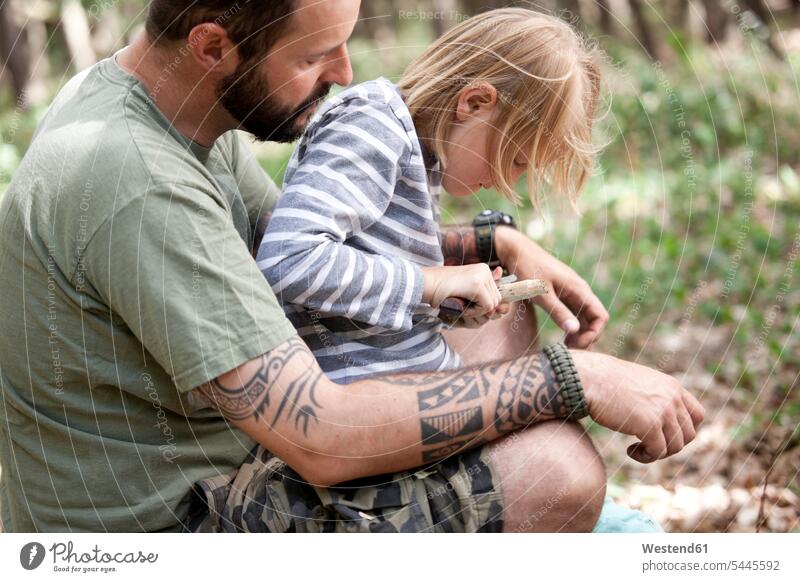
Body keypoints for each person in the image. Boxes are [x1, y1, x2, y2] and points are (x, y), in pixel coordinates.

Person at [0, 0, 703, 533]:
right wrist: (573, 379)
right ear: (213, 45)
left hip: (235, 450)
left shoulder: (181, 117)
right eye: (315, 57)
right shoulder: (140, 182)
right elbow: (323, 436)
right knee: (561, 472)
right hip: (173, 524)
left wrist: (491, 246)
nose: (343, 75)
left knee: (504, 316)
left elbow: (323, 246)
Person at [260, 9, 599, 384]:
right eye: (516, 161)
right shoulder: (374, 126)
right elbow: (289, 260)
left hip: (407, 379)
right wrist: (430, 283)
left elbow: (362, 283)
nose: (508, 184)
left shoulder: (420, 153)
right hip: (364, 399)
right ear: (473, 103)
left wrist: (445, 304)